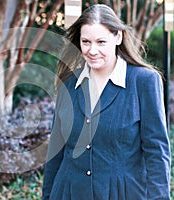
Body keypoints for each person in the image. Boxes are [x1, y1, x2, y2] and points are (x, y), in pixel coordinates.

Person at [42, 4, 171, 200]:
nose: (92, 50)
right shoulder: (69, 84)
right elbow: (56, 152)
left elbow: (156, 152)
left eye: (101, 42)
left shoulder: (144, 81)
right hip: (68, 192)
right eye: (86, 42)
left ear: (118, 37)